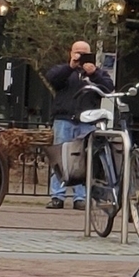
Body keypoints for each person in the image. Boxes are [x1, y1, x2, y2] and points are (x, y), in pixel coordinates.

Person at [44, 40, 113, 207]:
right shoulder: (64, 71)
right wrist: (70, 67)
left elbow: (109, 89)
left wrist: (94, 73)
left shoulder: (98, 73)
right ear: (71, 53)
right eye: (78, 52)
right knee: (60, 158)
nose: (80, 56)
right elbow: (52, 79)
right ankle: (57, 196)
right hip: (64, 120)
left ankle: (80, 198)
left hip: (87, 122)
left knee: (85, 160)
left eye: (84, 53)